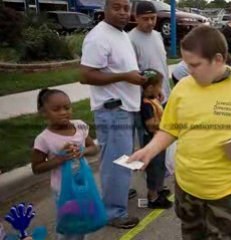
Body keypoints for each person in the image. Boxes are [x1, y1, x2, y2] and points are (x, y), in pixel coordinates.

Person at [128, 26, 231, 239]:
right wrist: (149, 150)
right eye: (186, 64)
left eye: (195, 65)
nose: (189, 70)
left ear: (218, 59)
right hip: (187, 188)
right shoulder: (183, 87)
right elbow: (169, 129)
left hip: (229, 191)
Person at [80, 0, 147, 229]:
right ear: (105, 9)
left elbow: (120, 68)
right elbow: (86, 75)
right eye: (116, 7)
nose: (122, 12)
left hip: (125, 107)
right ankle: (113, 212)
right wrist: (125, 77)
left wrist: (135, 76)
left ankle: (116, 193)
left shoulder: (120, 33)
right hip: (112, 109)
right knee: (116, 161)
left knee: (121, 159)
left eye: (126, 8)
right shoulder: (98, 37)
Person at [31, 89, 99, 240]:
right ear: (43, 112)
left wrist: (83, 151)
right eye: (56, 109)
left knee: (84, 220)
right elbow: (36, 168)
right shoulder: (44, 139)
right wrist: (59, 159)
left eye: (67, 108)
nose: (63, 112)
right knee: (71, 224)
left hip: (84, 184)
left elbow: (94, 148)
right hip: (63, 189)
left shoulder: (80, 126)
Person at [140, 69, 172, 209]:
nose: (161, 89)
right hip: (152, 140)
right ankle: (152, 197)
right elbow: (150, 124)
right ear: (151, 87)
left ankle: (159, 189)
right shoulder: (146, 104)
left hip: (159, 138)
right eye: (159, 86)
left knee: (160, 167)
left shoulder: (153, 100)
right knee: (154, 168)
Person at [129, 1, 171, 104]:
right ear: (136, 18)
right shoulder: (130, 39)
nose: (150, 22)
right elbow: (135, 72)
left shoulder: (158, 36)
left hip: (165, 94)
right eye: (145, 19)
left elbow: (162, 65)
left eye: (153, 18)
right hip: (148, 99)